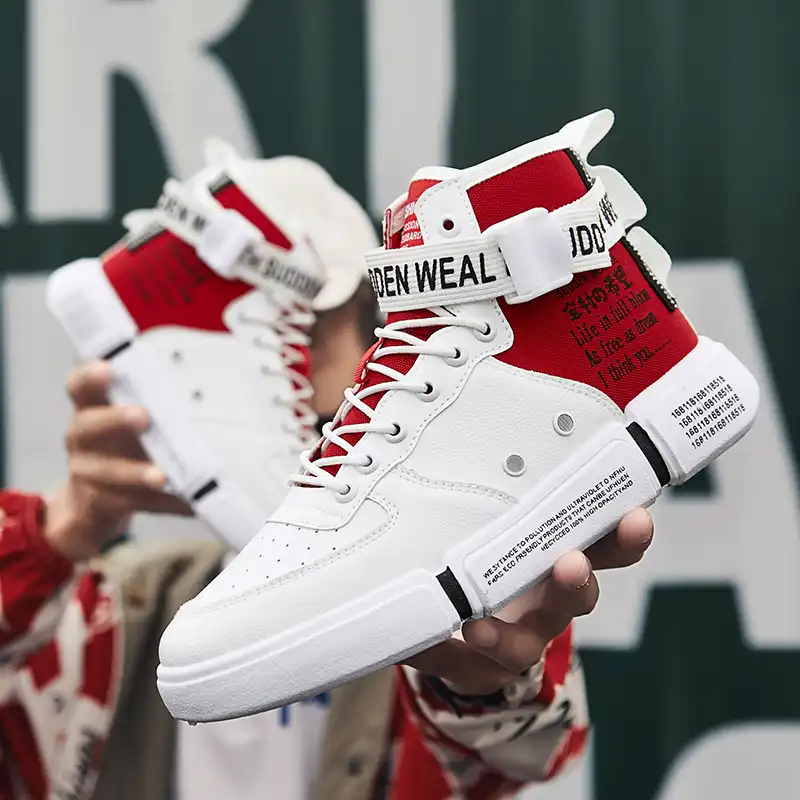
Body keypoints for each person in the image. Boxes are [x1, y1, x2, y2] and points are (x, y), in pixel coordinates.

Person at [0, 194, 655, 800]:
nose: (276, 370)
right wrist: (61, 532)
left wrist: (477, 684)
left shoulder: (432, 579)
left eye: (305, 336)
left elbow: (528, 756)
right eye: (257, 341)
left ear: (384, 363)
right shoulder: (114, 612)